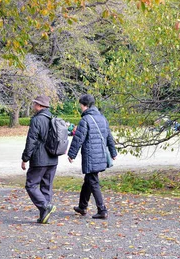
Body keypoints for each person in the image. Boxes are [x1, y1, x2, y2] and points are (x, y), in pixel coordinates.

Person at [67, 94, 118, 219]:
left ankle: (102, 210)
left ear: (84, 105)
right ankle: (82, 206)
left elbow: (78, 139)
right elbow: (109, 137)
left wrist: (71, 154)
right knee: (88, 181)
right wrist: (113, 152)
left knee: (93, 181)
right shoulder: (102, 118)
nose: (80, 108)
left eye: (80, 105)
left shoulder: (85, 120)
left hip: (91, 156)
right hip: (100, 155)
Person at [21, 95, 58, 224]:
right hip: (53, 158)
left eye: (34, 104)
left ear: (39, 105)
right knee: (46, 187)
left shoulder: (37, 120)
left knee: (31, 184)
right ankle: (44, 216)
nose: (33, 106)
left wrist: (25, 158)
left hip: (40, 158)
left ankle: (44, 206)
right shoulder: (53, 118)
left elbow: (31, 141)